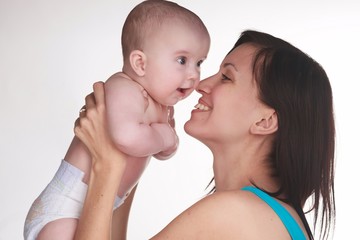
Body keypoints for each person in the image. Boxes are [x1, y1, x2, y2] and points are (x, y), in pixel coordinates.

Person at [73, 30, 336, 240]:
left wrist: (106, 166)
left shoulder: (234, 213)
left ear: (265, 120)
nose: (200, 84)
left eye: (226, 77)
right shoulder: (272, 215)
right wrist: (131, 153)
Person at [24, 0, 210, 239]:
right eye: (182, 60)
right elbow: (126, 137)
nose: (194, 74)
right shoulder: (124, 88)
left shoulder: (160, 105)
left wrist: (167, 143)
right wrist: (165, 137)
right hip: (64, 208)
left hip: (97, 208)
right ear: (140, 63)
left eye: (199, 62)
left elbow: (159, 151)